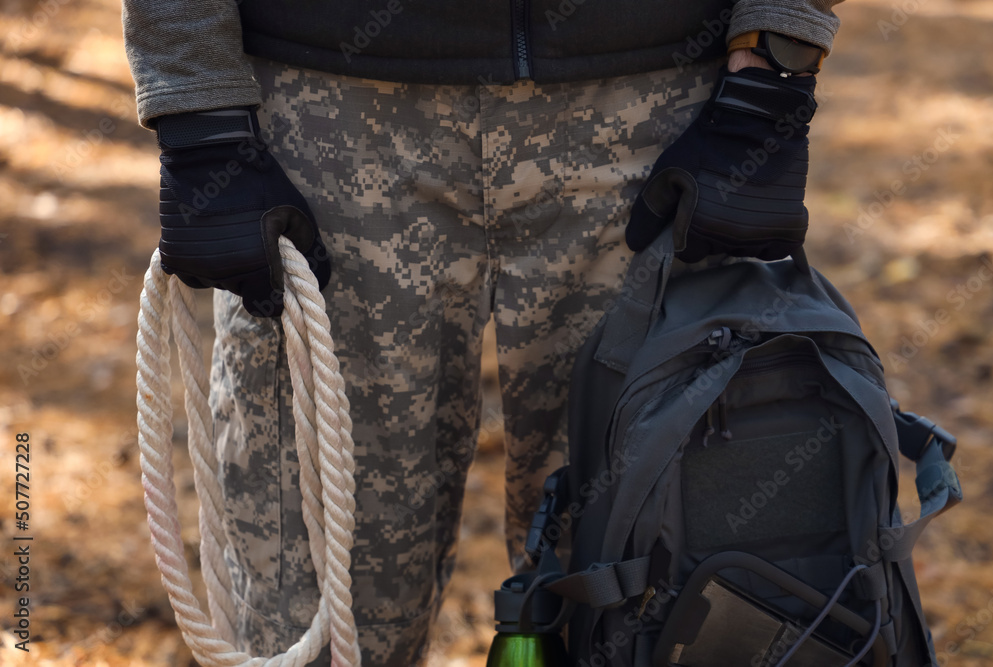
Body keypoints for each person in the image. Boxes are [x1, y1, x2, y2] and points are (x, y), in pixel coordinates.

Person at [122, 2, 842, 664]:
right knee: (317, 618)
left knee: (654, 601)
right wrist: (199, 111)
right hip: (323, 118)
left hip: (655, 113)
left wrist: (772, 69)